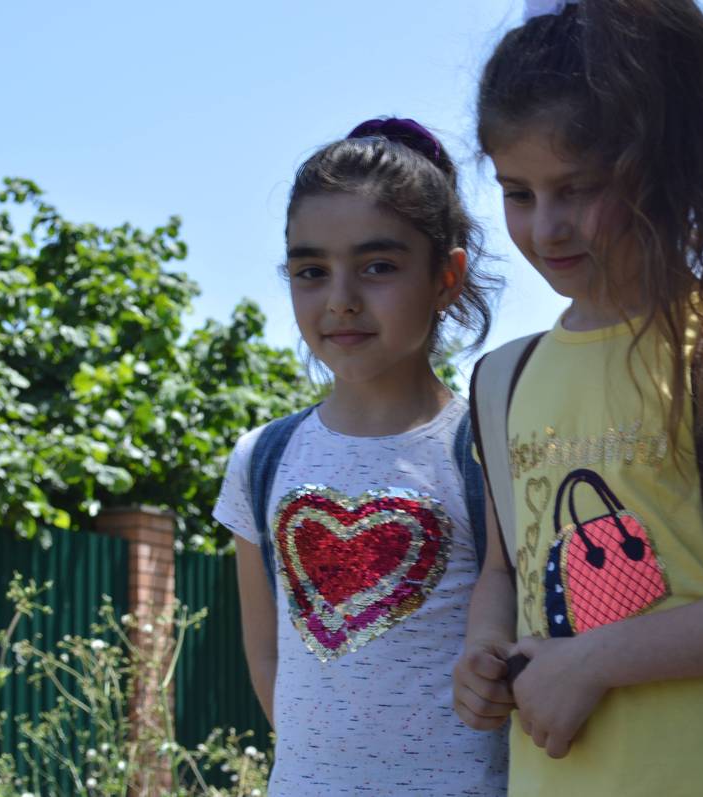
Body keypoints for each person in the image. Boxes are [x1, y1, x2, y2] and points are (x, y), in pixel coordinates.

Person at [452, 1, 703, 794]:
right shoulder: (499, 380)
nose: (546, 227)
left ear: (662, 169)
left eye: (577, 188)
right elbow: (502, 569)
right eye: (518, 193)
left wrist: (593, 661)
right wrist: (483, 648)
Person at [214, 118, 506, 796]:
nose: (341, 299)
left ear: (446, 277)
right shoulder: (260, 458)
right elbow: (266, 658)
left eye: (378, 267)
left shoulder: (490, 452)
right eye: (311, 271)